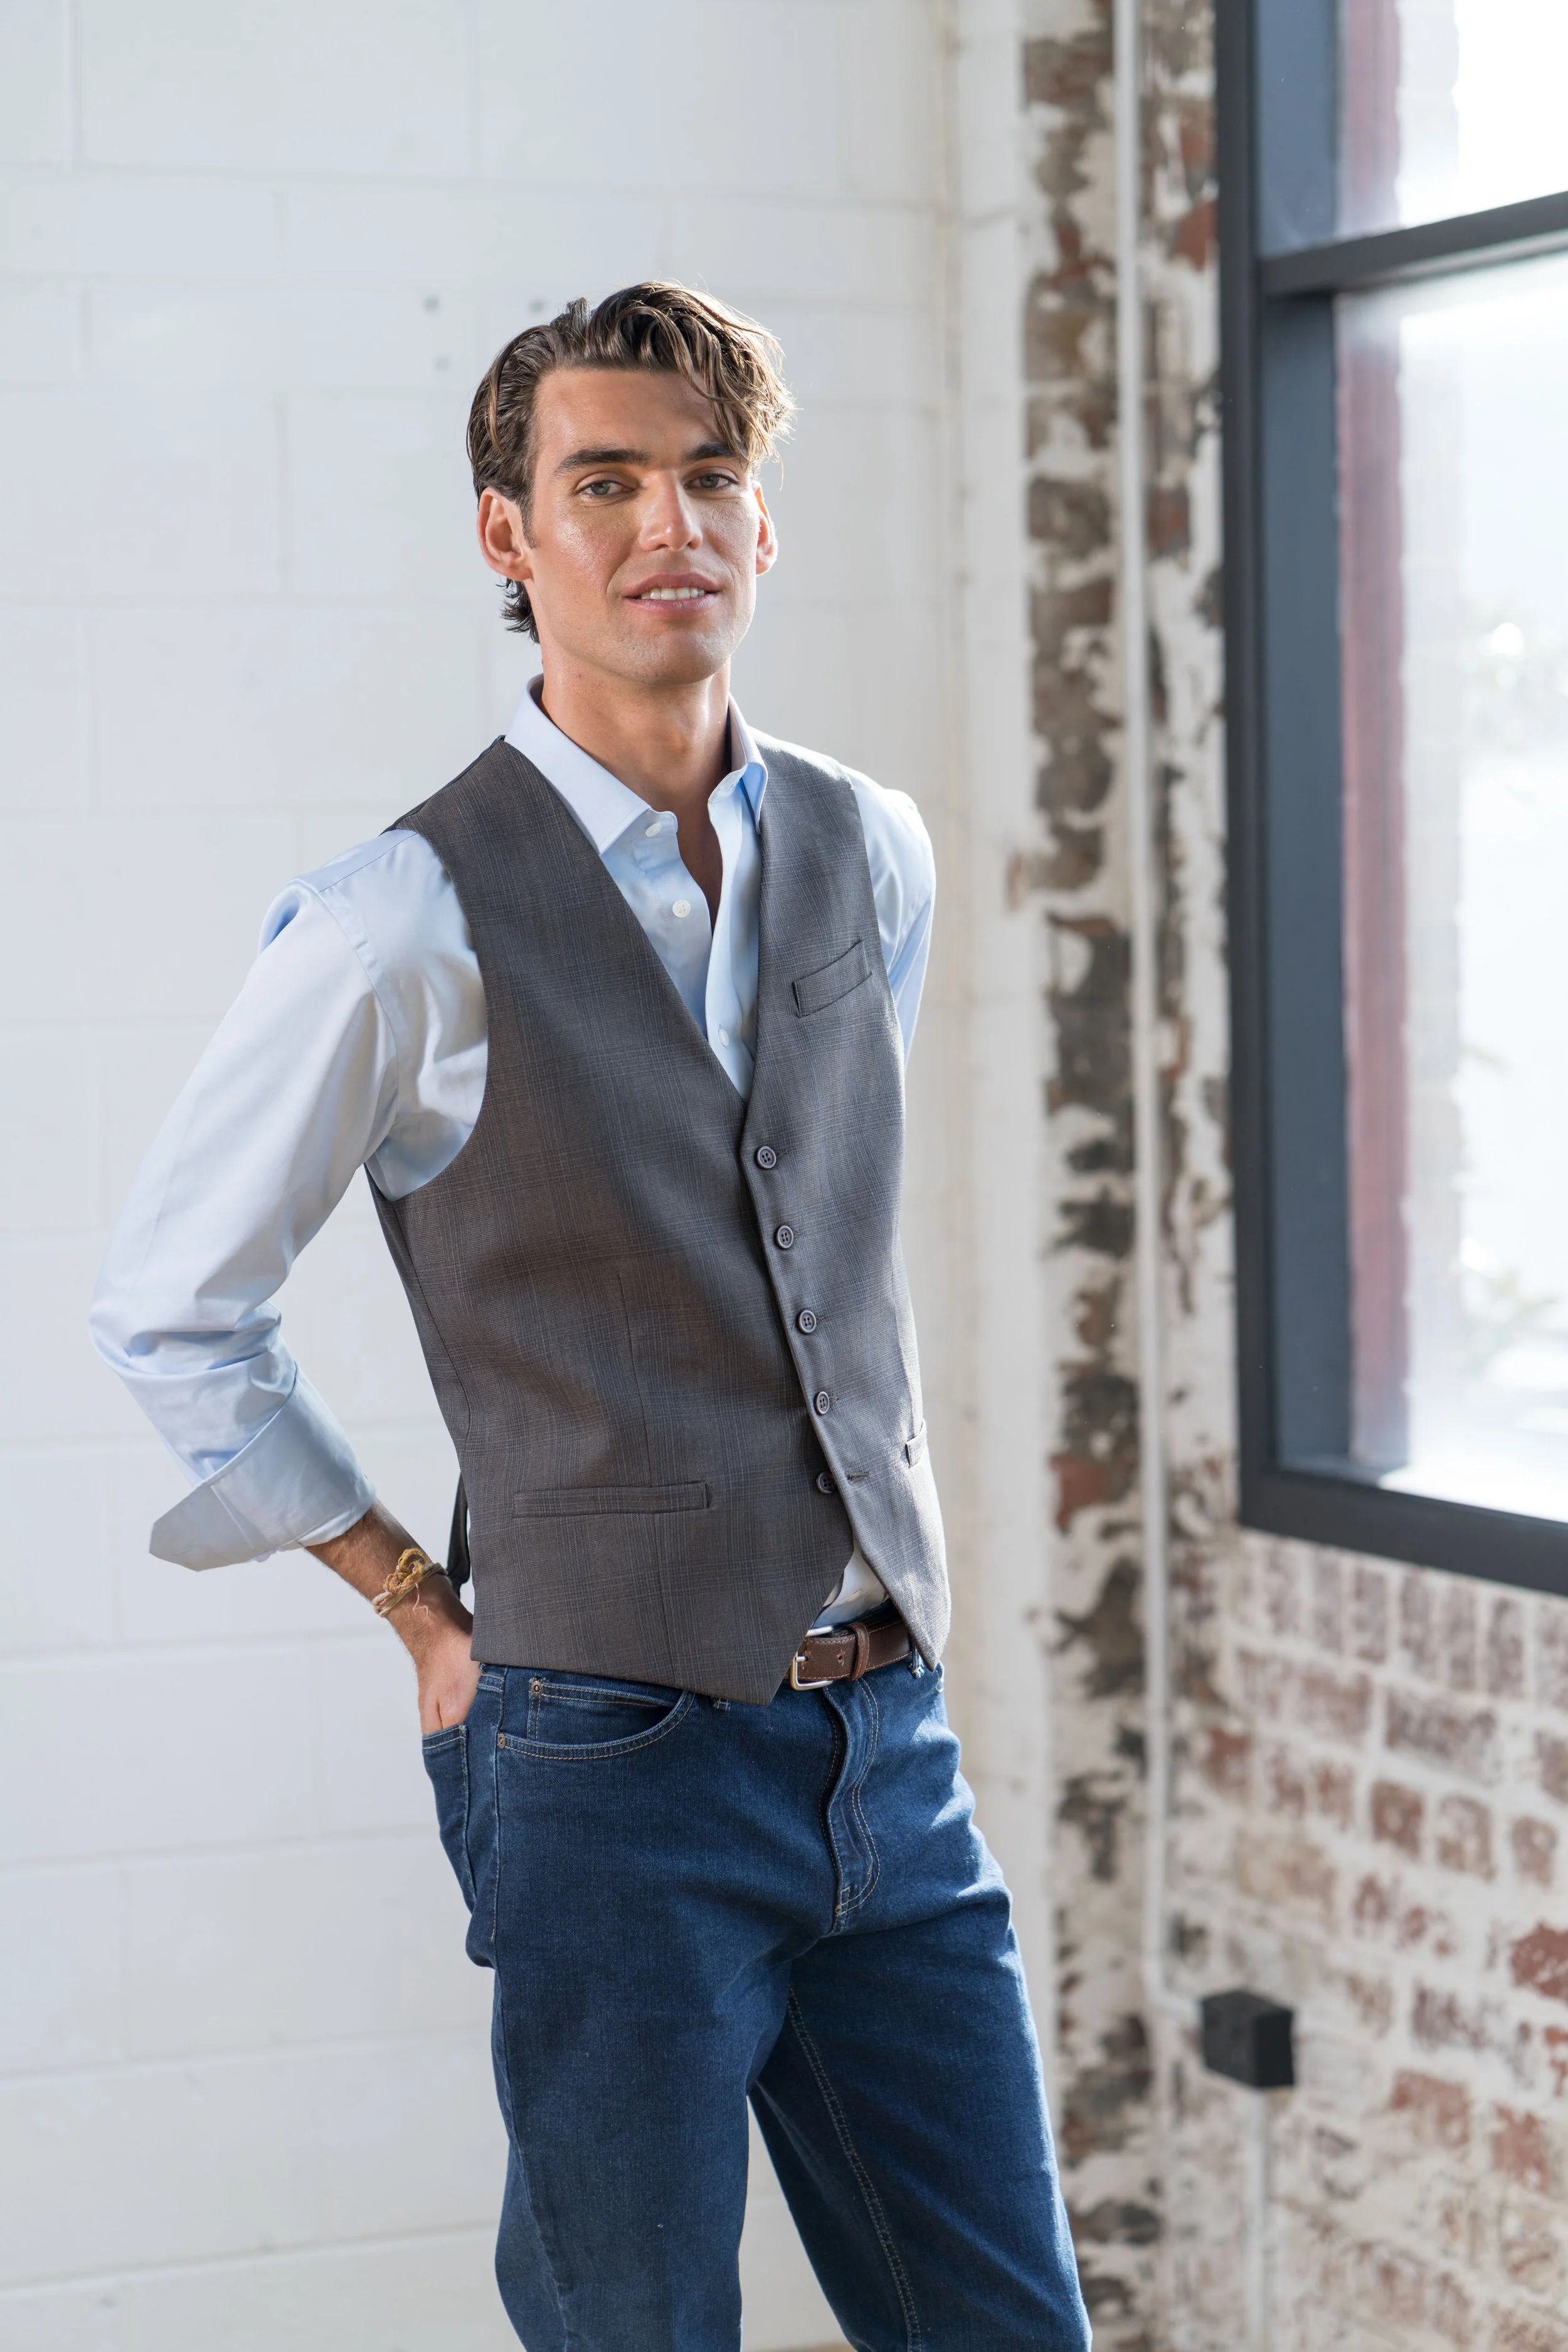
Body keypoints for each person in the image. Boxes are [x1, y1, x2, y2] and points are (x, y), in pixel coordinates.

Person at [91, 282, 1090, 2351]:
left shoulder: (866, 850)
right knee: (632, 2323)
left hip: (884, 1743)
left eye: (711, 477)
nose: (670, 525)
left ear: (762, 518)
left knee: (1007, 2328)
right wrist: (410, 1603)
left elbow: (799, 1233)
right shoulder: (403, 918)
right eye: (604, 480)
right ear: (506, 535)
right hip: (602, 1751)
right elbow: (174, 1306)